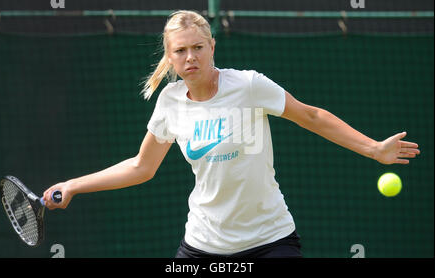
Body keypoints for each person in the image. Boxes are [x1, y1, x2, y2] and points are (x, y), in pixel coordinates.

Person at [43, 10, 420, 258]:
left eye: (197, 48)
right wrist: (74, 184)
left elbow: (313, 116)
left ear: (212, 48)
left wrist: (374, 149)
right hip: (202, 246)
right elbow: (142, 167)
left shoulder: (250, 85)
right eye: (180, 51)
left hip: (269, 241)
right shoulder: (170, 102)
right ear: (170, 57)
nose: (190, 57)